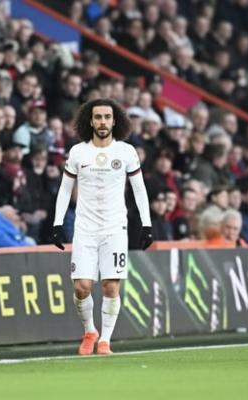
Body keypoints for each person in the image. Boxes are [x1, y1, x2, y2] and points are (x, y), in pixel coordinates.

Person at [51, 98, 152, 356]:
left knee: (110, 285)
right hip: (85, 228)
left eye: (107, 117)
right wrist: (57, 222)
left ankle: (105, 340)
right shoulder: (78, 152)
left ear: (115, 121)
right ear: (91, 121)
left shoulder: (126, 152)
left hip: (115, 228)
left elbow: (139, 190)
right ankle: (90, 331)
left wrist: (147, 224)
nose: (103, 122)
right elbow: (65, 189)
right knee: (81, 286)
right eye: (98, 117)